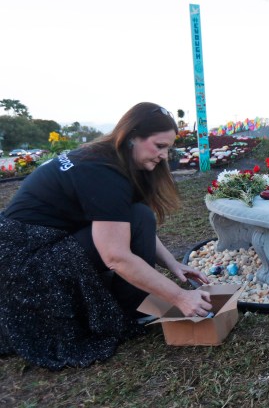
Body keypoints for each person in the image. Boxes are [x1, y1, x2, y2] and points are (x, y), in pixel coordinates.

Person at [0, 102, 211, 370]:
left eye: (168, 148)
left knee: (139, 214)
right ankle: (132, 306)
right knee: (137, 220)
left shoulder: (106, 158)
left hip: (34, 245)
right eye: (159, 146)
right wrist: (179, 297)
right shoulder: (103, 173)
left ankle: (132, 299)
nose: (164, 156)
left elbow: (128, 222)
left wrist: (173, 264)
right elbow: (116, 257)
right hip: (25, 264)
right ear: (132, 136)